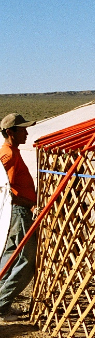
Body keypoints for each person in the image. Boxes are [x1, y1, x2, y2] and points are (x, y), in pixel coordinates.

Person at [0, 113, 38, 322]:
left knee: (10, 256)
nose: (26, 132)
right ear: (9, 132)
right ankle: (1, 304)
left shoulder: (13, 151)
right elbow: (5, 187)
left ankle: (2, 304)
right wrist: (29, 204)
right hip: (19, 212)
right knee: (26, 260)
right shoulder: (7, 155)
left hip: (18, 212)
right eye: (22, 129)